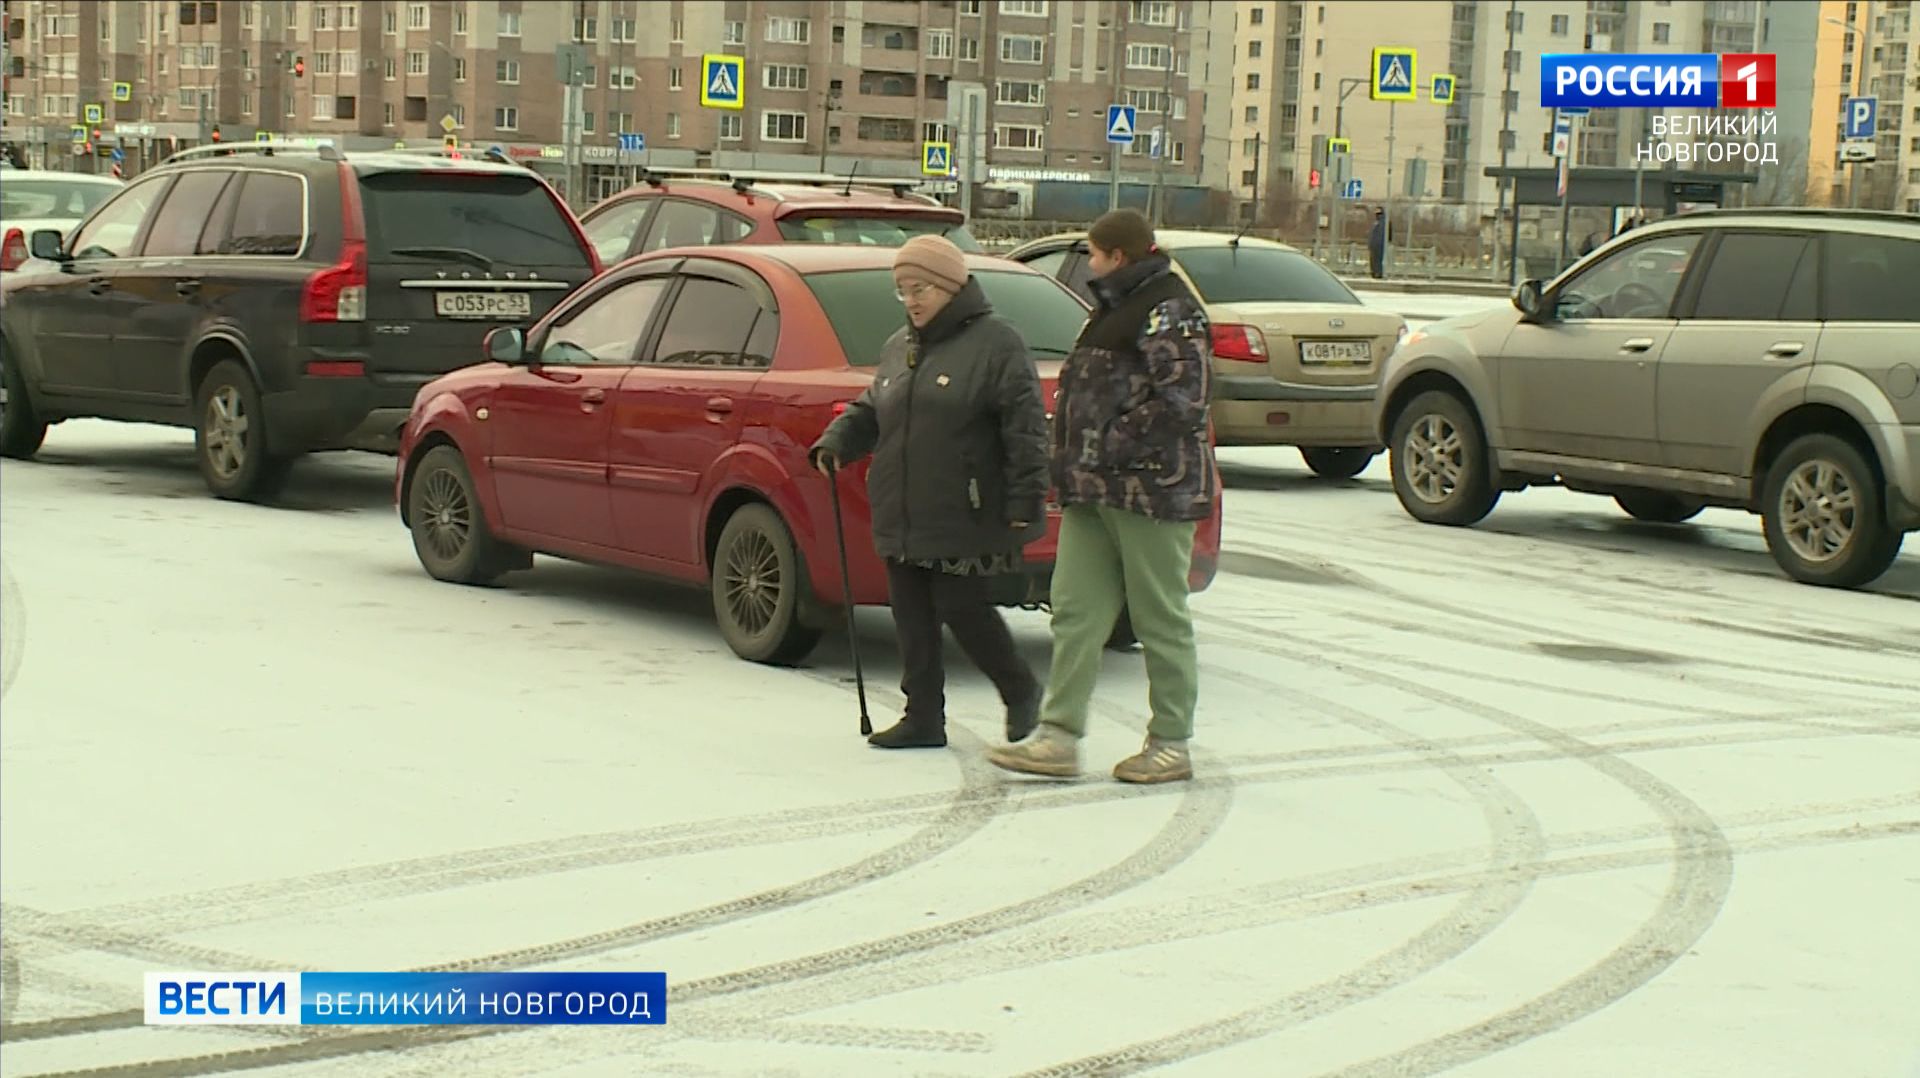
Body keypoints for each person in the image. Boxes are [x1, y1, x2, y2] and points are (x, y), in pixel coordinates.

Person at [986, 209, 1214, 785]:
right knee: (1075, 611)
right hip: (1092, 488)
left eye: (1093, 254)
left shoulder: (1171, 310)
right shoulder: (1111, 309)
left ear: (1119, 256)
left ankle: (1171, 743)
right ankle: (1058, 736)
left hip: (1152, 491)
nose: (1088, 264)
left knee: (1159, 616)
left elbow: (1184, 402)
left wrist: (1108, 441)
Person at [810, 235, 1050, 750]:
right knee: (911, 615)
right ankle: (923, 717)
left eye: (920, 288)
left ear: (950, 286)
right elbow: (874, 405)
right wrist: (838, 440)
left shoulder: (996, 343)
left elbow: (1025, 427)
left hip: (963, 504)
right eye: (903, 290)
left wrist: (1025, 500)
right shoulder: (901, 345)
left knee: (962, 607)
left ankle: (1020, 689)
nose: (911, 300)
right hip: (903, 503)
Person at [1367, 209, 1386, 278]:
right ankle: (1374, 272)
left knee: (1377, 260)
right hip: (1375, 245)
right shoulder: (1376, 223)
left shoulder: (1383, 224)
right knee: (1374, 260)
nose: (1377, 216)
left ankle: (1378, 272)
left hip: (1379, 245)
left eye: (1378, 214)